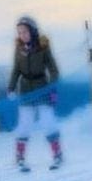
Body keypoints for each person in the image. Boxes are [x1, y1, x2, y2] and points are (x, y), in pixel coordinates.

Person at [7, 15, 63, 171]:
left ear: (32, 31)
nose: (22, 35)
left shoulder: (43, 47)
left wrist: (51, 88)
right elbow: (16, 70)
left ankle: (57, 153)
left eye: (25, 31)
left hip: (42, 87)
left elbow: (53, 70)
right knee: (25, 122)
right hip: (25, 89)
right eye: (19, 32)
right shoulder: (19, 49)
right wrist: (11, 87)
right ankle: (20, 156)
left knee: (47, 121)